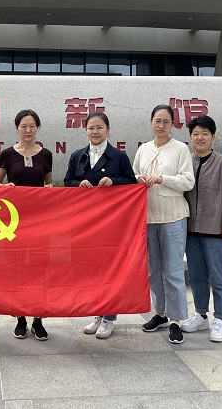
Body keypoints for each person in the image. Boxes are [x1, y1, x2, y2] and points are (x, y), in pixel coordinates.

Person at [64, 111, 136, 339]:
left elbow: (131, 183)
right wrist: (78, 185)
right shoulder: (78, 156)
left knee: (110, 269)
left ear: (108, 130)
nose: (95, 132)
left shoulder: (119, 157)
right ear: (85, 130)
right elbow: (67, 182)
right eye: (91, 128)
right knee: (91, 270)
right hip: (85, 223)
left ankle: (109, 317)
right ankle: (97, 312)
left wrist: (114, 181)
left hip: (111, 223)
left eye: (99, 127)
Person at [133, 105, 194, 344]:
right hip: (148, 217)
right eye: (157, 121)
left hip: (173, 216)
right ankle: (160, 313)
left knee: (173, 270)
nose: (161, 125)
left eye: (166, 121)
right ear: (151, 122)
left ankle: (176, 319)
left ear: (172, 124)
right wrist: (140, 178)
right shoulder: (143, 149)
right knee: (153, 269)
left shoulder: (181, 149)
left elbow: (188, 181)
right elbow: (133, 175)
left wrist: (162, 179)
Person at [0, 109, 53, 341]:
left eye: (32, 126)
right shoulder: (7, 154)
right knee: (17, 270)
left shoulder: (46, 154)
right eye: (23, 126)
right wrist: (4, 188)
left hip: (40, 221)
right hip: (15, 223)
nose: (28, 130)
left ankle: (38, 320)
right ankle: (20, 318)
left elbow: (49, 184)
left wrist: (49, 191)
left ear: (37, 128)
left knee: (39, 270)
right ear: (17, 128)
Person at [180, 115, 222, 343]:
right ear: (190, 137)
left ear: (213, 136)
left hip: (215, 230)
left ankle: (220, 319)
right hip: (191, 230)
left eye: (204, 133)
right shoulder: (186, 162)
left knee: (218, 276)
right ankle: (201, 315)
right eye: (195, 134)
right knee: (196, 275)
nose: (200, 138)